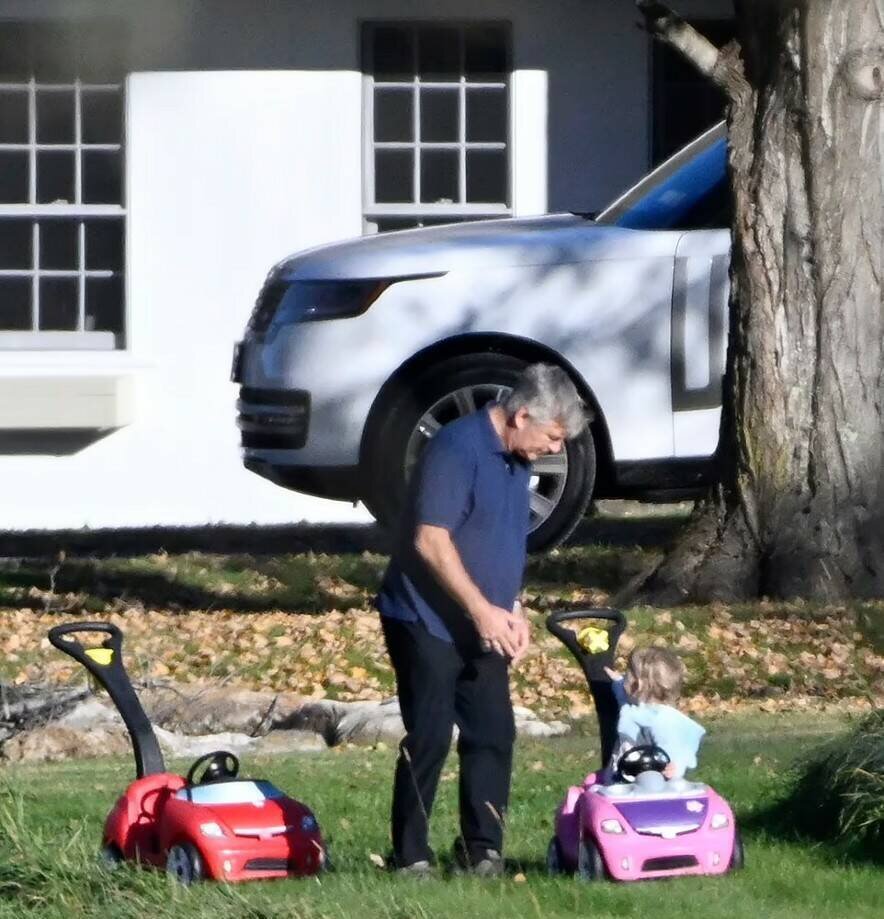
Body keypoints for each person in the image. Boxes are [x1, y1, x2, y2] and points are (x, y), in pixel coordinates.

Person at [375, 363, 588, 876]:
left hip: (485, 619)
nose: (555, 449)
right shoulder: (457, 449)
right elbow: (431, 540)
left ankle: (481, 849)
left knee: (492, 732)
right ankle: (411, 856)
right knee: (428, 736)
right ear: (520, 416)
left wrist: (512, 609)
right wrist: (480, 610)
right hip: (425, 617)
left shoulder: (517, 458)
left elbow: (500, 539)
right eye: (553, 436)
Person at [605, 646, 705, 781]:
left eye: (627, 674)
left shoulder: (663, 719)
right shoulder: (634, 705)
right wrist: (617, 681)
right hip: (623, 784)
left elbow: (679, 747)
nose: (624, 677)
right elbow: (622, 694)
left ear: (637, 685)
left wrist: (675, 767)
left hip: (652, 788)